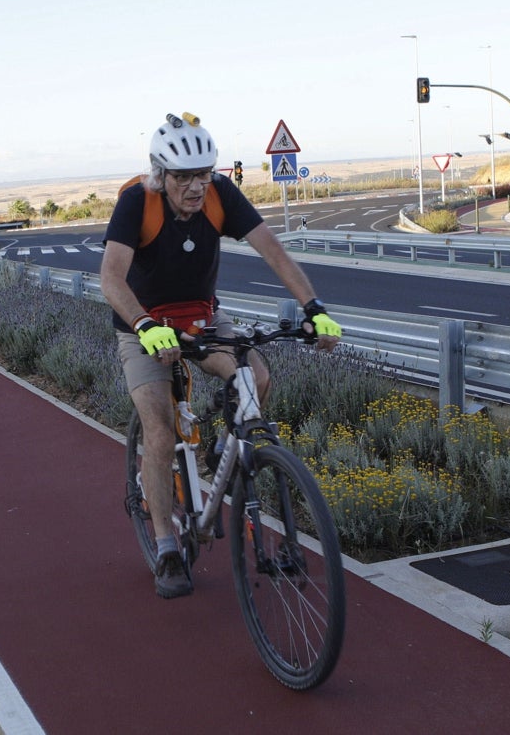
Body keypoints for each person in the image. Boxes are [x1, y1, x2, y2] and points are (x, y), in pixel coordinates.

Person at [100, 112, 342, 599]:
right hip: (142, 323)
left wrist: (313, 307)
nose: (195, 186)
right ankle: (168, 546)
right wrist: (145, 325)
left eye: (203, 174)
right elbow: (111, 277)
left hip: (200, 318)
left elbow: (272, 250)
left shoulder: (219, 197)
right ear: (160, 174)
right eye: (183, 176)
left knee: (255, 379)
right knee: (161, 429)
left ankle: (223, 452)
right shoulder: (137, 203)